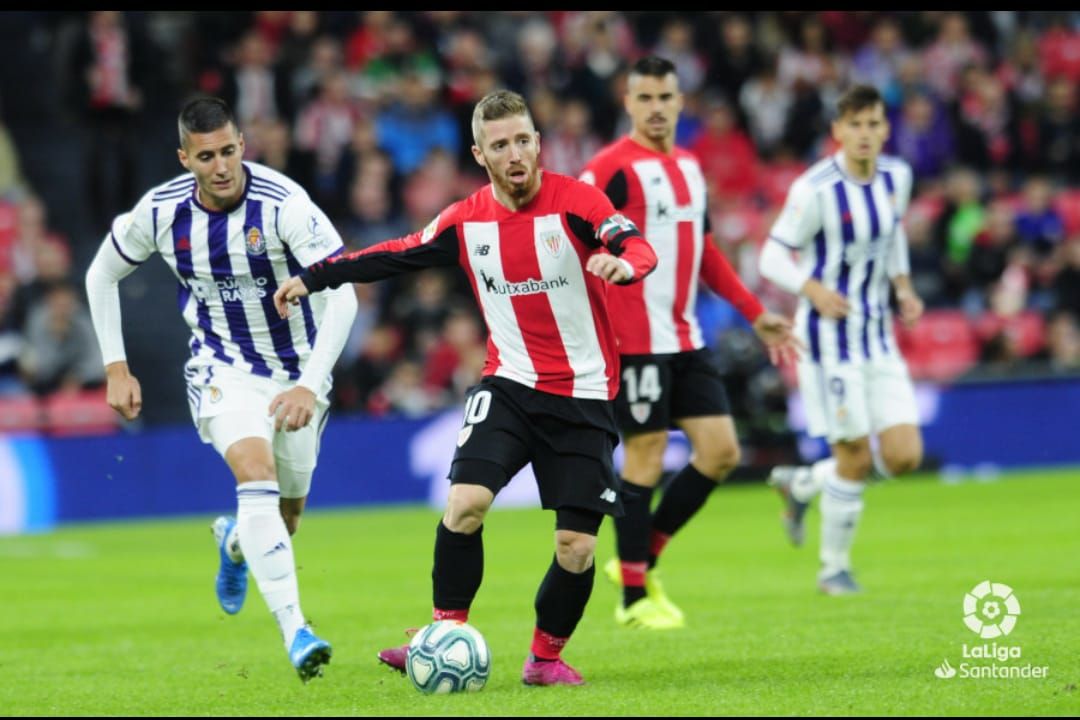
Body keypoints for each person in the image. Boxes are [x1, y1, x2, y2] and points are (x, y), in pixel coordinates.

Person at [274, 89, 658, 686]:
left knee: (576, 549)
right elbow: (395, 253)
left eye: (523, 140)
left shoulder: (577, 202)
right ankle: (441, 633)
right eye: (500, 144)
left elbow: (633, 241)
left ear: (538, 143)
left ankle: (544, 659)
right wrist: (315, 277)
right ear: (480, 153)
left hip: (584, 395)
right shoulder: (466, 218)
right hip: (508, 386)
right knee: (465, 505)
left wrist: (625, 264)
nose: (515, 154)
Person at [84, 97, 358, 680]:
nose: (221, 165)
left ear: (243, 146)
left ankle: (235, 541)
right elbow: (101, 272)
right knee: (254, 475)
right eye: (206, 156)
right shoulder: (160, 213)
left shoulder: (284, 205)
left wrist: (309, 386)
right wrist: (115, 365)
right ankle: (297, 632)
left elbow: (346, 294)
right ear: (186, 158)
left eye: (229, 150)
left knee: (283, 518)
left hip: (300, 373)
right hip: (223, 368)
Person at [579, 55, 801, 630]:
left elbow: (703, 253)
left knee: (722, 451)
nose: (656, 108)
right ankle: (634, 597)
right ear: (627, 103)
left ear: (680, 103)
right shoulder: (608, 169)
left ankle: (639, 558)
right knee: (647, 452)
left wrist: (755, 313)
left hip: (685, 336)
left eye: (665, 98)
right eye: (645, 98)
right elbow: (569, 234)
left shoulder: (690, 167)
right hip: (633, 340)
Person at [757, 84, 924, 595]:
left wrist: (902, 285)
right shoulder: (816, 189)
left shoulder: (898, 176)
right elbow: (771, 256)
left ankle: (802, 482)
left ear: (885, 129)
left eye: (874, 124)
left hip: (878, 337)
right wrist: (812, 289)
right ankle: (833, 569)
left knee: (903, 456)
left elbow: (892, 233)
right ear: (838, 132)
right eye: (855, 125)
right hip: (828, 343)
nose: (865, 134)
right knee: (852, 458)